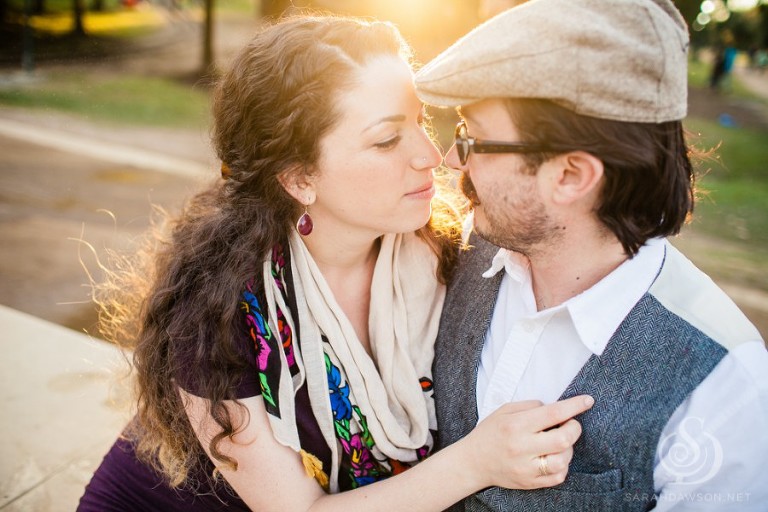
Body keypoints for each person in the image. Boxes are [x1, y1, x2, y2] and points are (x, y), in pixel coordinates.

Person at [77, 15, 594, 512]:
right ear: (299, 178)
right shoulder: (216, 311)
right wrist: (478, 462)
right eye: (388, 139)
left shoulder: (443, 253)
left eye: (421, 122)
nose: (431, 157)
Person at [415, 0, 768, 510]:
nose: (451, 160)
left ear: (571, 175)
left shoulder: (725, 388)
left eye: (470, 139)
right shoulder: (458, 253)